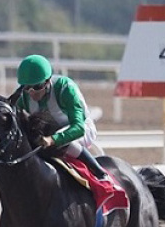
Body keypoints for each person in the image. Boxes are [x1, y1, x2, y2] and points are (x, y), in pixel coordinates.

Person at [14, 54, 111, 182]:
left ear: (48, 81)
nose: (32, 92)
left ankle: (100, 173)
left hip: (80, 129)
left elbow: (78, 128)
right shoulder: (23, 97)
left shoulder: (65, 88)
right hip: (48, 135)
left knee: (62, 142)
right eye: (27, 88)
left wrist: (53, 139)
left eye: (37, 87)